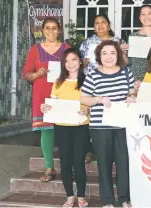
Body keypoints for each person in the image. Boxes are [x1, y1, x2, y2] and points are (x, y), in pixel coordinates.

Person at [80, 40, 134, 208]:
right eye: (104, 53)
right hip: (100, 127)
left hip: (122, 126)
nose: (109, 57)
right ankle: (107, 200)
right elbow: (83, 98)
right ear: (99, 56)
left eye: (112, 53)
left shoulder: (126, 73)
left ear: (118, 55)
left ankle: (124, 198)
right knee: (104, 163)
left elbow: (132, 92)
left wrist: (132, 97)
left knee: (123, 162)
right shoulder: (93, 75)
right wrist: (98, 99)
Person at [22, 18, 70, 183]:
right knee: (46, 130)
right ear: (43, 31)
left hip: (63, 93)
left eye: (54, 28)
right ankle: (49, 167)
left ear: (59, 30)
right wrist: (36, 74)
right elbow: (27, 73)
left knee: (66, 130)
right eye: (48, 28)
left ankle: (68, 166)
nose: (51, 31)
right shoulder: (35, 49)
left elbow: (74, 69)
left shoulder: (66, 48)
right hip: (42, 93)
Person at [40, 48, 90, 207]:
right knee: (65, 162)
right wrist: (45, 107)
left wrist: (88, 109)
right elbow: (51, 103)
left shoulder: (88, 80)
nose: (70, 64)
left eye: (74, 59)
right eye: (67, 61)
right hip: (61, 127)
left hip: (80, 126)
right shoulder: (58, 82)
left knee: (78, 162)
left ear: (80, 61)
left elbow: (92, 104)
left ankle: (81, 195)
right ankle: (69, 196)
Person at [79, 14, 128, 163]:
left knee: (114, 119)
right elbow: (79, 63)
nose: (100, 25)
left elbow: (126, 64)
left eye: (103, 22)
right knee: (94, 118)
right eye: (97, 23)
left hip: (115, 85)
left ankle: (114, 150)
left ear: (109, 24)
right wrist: (83, 63)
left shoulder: (118, 41)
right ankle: (92, 149)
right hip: (93, 85)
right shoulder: (87, 43)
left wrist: (121, 52)